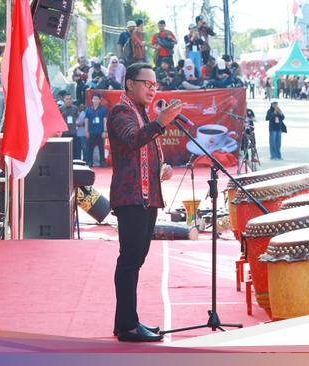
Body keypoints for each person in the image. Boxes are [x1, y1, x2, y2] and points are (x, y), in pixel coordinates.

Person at [107, 62, 183, 342]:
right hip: (131, 198)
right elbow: (132, 139)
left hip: (146, 197)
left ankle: (126, 322)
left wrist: (160, 168)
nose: (153, 89)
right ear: (129, 84)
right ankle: (127, 325)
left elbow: (142, 151)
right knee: (129, 261)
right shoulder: (121, 111)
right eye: (147, 84)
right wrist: (161, 122)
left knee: (135, 260)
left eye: (155, 85)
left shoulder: (141, 112)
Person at [84, 93, 108, 167]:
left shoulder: (103, 109)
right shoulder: (88, 110)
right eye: (94, 99)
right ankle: (90, 161)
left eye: (97, 99)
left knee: (101, 148)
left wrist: (105, 131)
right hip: (91, 131)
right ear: (92, 100)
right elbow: (86, 121)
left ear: (100, 100)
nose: (95, 100)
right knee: (90, 148)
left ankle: (102, 162)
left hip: (100, 131)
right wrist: (86, 131)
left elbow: (105, 120)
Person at [60, 94, 81, 158]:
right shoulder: (61, 109)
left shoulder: (75, 108)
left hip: (73, 132)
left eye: (70, 99)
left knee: (75, 149)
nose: (69, 100)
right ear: (64, 100)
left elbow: (77, 117)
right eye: (67, 99)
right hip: (65, 132)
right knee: (65, 150)